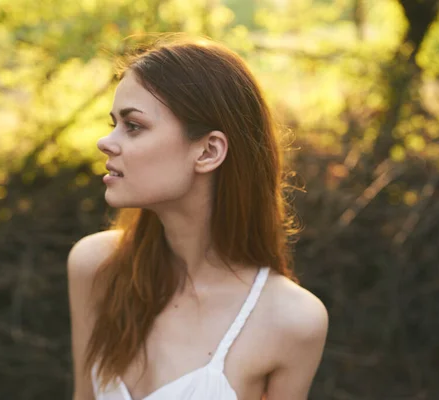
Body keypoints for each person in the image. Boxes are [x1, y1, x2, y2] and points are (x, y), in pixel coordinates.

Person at [67, 35, 328, 400]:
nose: (105, 142)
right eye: (113, 123)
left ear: (208, 151)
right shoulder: (95, 267)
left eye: (133, 126)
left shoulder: (291, 320)